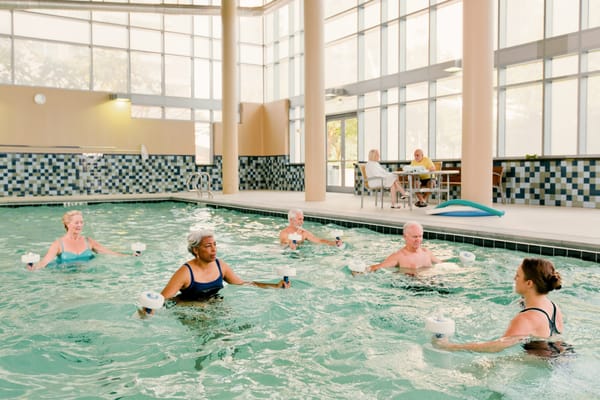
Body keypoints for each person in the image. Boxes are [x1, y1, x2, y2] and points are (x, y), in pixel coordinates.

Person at [433, 258, 571, 357]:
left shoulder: (525, 318)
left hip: (544, 366)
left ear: (529, 283)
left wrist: (450, 346)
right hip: (565, 356)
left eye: (518, 276)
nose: (514, 278)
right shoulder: (553, 307)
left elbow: (496, 346)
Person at [160, 229, 289, 304]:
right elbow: (164, 301)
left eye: (215, 245)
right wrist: (194, 305)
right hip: (195, 315)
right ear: (195, 250)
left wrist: (275, 286)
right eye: (208, 246)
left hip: (217, 308)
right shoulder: (186, 273)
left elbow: (243, 284)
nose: (214, 250)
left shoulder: (220, 265)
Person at [29, 210, 128, 270]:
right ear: (68, 224)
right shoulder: (59, 244)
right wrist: (33, 268)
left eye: (81, 222)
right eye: (76, 223)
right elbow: (45, 261)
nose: (80, 225)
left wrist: (129, 256)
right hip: (67, 278)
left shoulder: (88, 241)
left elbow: (109, 252)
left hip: (88, 276)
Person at [365, 221, 441, 272]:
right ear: (405, 237)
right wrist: (360, 272)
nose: (418, 240)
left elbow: (442, 265)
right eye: (414, 237)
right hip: (413, 287)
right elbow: (377, 267)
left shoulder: (426, 252)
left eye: (420, 236)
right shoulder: (399, 256)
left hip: (430, 282)